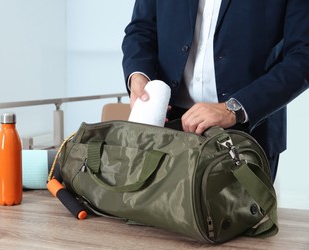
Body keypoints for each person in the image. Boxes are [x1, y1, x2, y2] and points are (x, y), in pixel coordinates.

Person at [122, 0, 309, 183]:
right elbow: (141, 29)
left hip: (247, 130)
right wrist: (138, 75)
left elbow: (303, 55)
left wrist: (235, 108)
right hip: (167, 125)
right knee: (153, 212)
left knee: (237, 214)